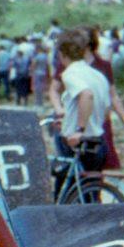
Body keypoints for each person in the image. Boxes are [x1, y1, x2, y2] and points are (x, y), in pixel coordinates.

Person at [51, 29, 111, 196]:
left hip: (77, 143)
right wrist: (69, 120)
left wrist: (79, 129)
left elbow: (86, 95)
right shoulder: (98, 75)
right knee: (91, 195)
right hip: (97, 141)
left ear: (61, 53)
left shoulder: (70, 74)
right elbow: (105, 110)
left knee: (65, 195)